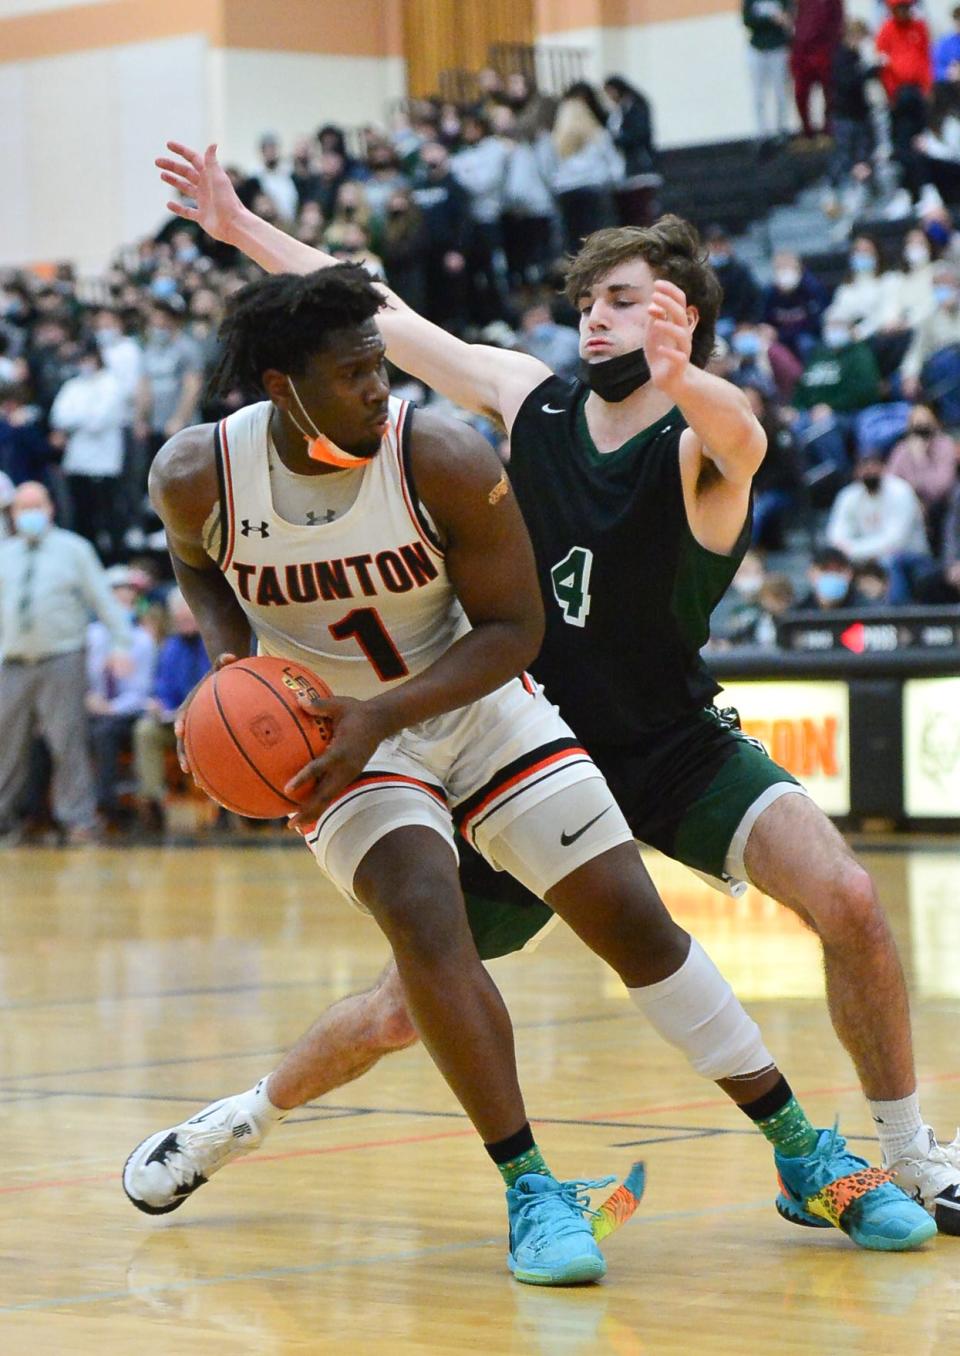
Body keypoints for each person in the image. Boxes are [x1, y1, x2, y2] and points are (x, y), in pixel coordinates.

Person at [135, 141, 960, 1245]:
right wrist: (242, 231)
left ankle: (910, 1155)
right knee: (406, 1000)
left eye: (621, 301)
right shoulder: (531, 401)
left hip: (664, 742)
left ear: (679, 318)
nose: (593, 319)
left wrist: (686, 379)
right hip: (512, 731)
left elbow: (747, 436)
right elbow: (386, 317)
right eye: (585, 302)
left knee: (849, 899)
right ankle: (242, 1117)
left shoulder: (700, 441)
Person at [0, 481, 133, 843]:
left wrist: (121, 644)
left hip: (62, 657)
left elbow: (104, 601)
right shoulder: (4, 554)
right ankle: (4, 820)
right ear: (12, 514)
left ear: (50, 509)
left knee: (67, 742)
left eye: (35, 505)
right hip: (11, 662)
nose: (29, 513)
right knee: (5, 746)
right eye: (21, 508)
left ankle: (78, 820)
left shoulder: (75, 549)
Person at [132, 587, 210, 835]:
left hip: (210, 722)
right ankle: (153, 801)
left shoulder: (213, 642)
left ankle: (224, 803)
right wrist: (159, 705)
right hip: (175, 723)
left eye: (188, 618)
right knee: (145, 731)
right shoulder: (170, 648)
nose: (184, 623)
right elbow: (163, 688)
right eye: (179, 619)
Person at [85, 564, 157, 830]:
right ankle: (38, 810)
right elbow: (80, 679)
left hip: (127, 712)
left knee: (104, 732)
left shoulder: (142, 640)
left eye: (128, 592)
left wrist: (110, 708)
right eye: (116, 591)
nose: (123, 597)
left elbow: (141, 690)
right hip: (93, 708)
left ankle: (108, 806)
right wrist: (89, 698)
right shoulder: (90, 636)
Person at [49, 337, 127, 561]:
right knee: (82, 516)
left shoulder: (111, 383)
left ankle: (113, 559)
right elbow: (59, 415)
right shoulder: (73, 385)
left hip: (104, 465)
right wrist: (82, 417)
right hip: (77, 463)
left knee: (108, 516)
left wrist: (75, 420)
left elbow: (99, 421)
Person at [826, 451, 929, 565]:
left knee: (886, 561)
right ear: (856, 471)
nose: (869, 471)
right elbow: (837, 535)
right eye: (864, 467)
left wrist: (852, 550)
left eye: (873, 466)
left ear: (883, 468)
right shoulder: (848, 496)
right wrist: (848, 551)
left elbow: (895, 541)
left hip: (909, 556)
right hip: (865, 558)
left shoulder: (900, 491)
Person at [741, 0, 793, 142]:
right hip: (757, 49)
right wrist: (771, 19)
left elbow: (789, 17)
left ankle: (782, 128)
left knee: (781, 91)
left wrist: (780, 21)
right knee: (758, 93)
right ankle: (761, 132)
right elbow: (747, 20)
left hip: (778, 48)